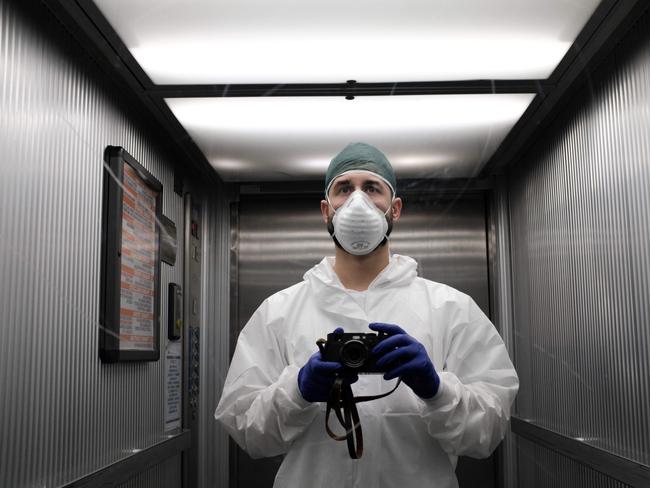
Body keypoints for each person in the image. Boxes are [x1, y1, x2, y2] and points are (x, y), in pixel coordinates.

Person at [215, 142, 519, 488]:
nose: (357, 201)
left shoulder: (451, 309)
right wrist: (297, 391)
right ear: (326, 210)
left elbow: (489, 432)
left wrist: (436, 390)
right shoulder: (279, 312)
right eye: (344, 189)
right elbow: (245, 430)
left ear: (395, 209)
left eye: (372, 188)